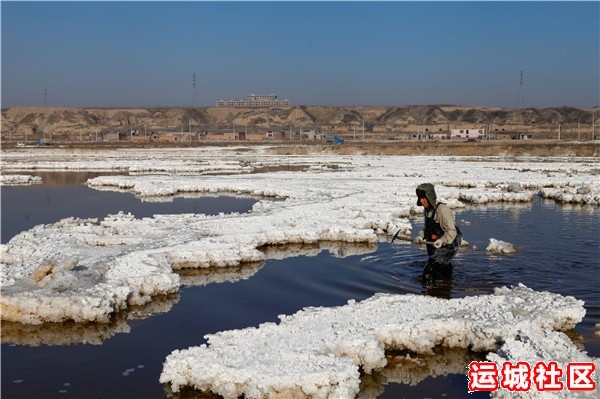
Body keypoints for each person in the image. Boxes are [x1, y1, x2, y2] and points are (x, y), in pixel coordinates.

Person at [413, 183, 462, 284]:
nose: (422, 201)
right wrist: (420, 236)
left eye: (424, 198)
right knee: (444, 269)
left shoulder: (442, 210)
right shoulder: (428, 210)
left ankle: (428, 292)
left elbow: (451, 231)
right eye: (420, 198)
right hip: (438, 243)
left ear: (430, 196)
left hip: (450, 243)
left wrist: (442, 240)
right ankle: (447, 286)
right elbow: (429, 229)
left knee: (429, 272)